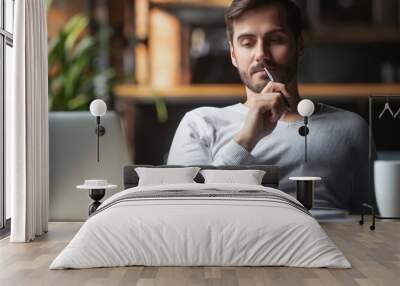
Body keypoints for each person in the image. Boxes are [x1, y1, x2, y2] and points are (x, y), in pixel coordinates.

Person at [167, 0, 370, 211]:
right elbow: (184, 211)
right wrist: (247, 139)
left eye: (275, 40)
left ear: (299, 45)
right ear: (233, 54)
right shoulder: (200, 125)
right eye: (247, 43)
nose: (261, 54)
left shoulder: (351, 129)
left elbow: (371, 224)